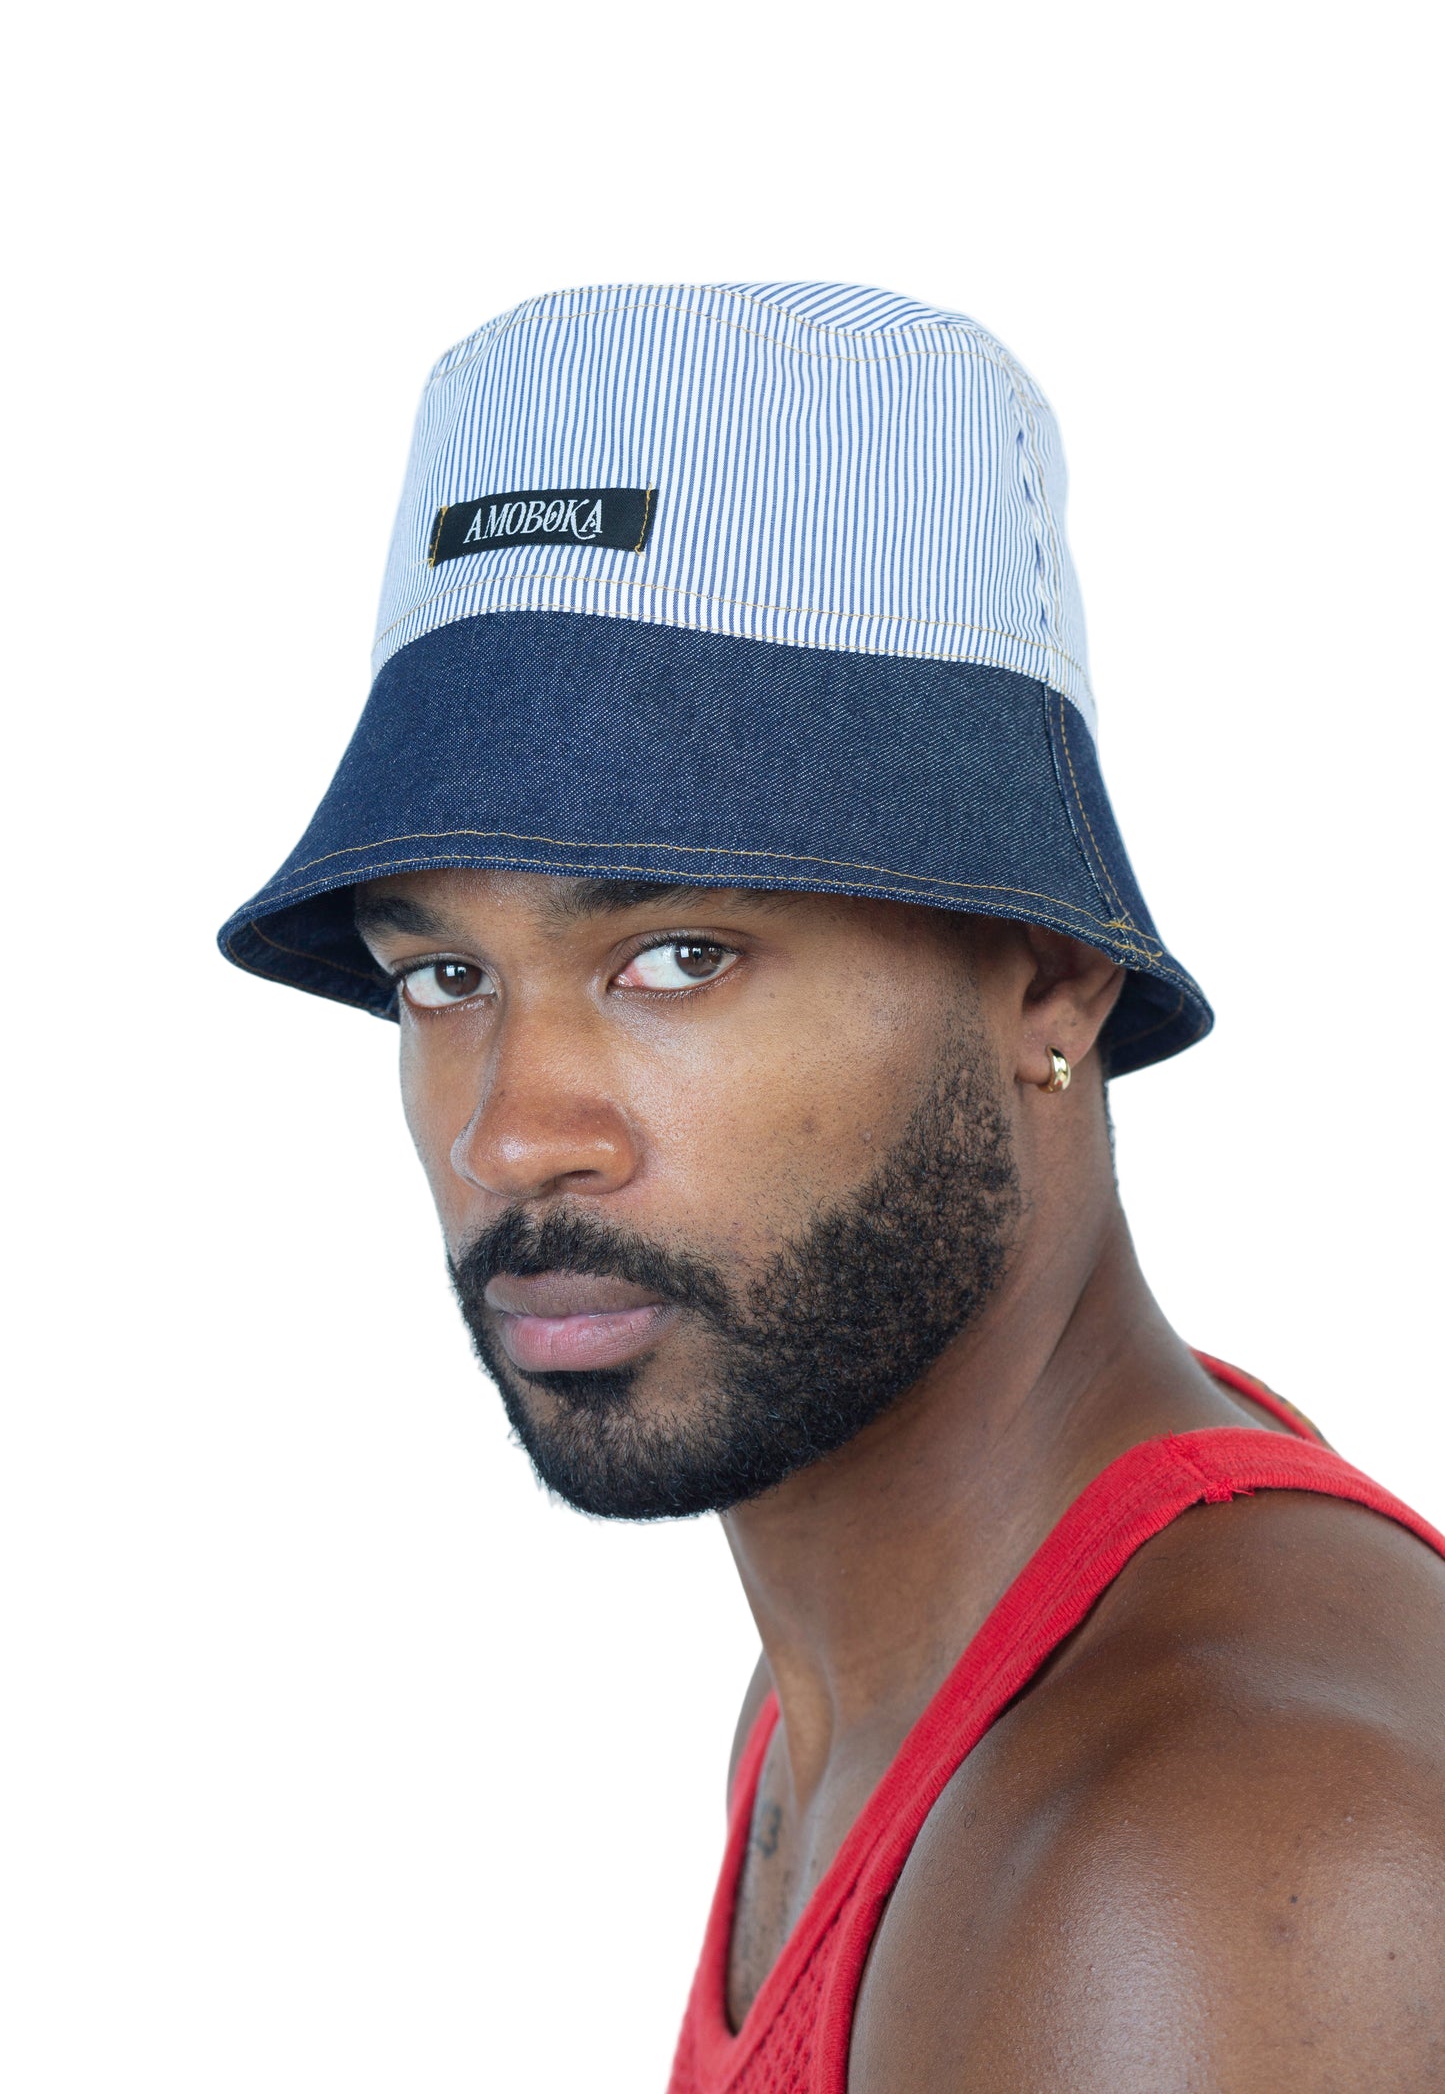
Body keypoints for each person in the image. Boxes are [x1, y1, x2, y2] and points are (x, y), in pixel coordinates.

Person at [220, 282, 1445, 2090]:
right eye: (442, 978)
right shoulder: (868, 1685)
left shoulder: (1192, 1849)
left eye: (682, 955)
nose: (509, 1134)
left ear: (1046, 977)